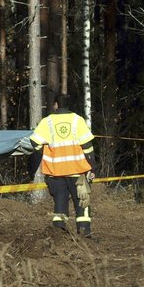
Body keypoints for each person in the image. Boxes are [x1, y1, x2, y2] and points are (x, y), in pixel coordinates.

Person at [27, 93, 97, 237]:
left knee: (59, 202)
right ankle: (84, 232)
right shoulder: (78, 120)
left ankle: (59, 234)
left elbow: (34, 141)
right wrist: (92, 166)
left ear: (56, 105)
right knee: (82, 202)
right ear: (68, 104)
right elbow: (87, 146)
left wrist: (44, 153)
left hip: (56, 172)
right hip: (77, 171)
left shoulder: (47, 121)